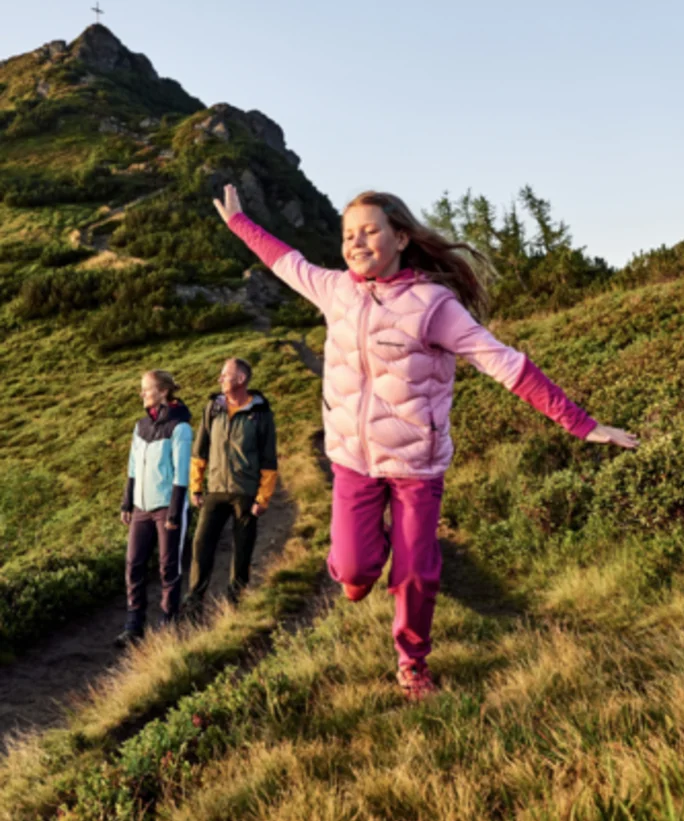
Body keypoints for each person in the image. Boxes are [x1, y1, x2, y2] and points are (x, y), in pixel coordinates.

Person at [213, 184, 638, 701]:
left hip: (416, 465)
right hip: (353, 460)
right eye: (348, 234)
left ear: (401, 238)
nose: (356, 242)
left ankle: (412, 662)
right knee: (352, 569)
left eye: (369, 231)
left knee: (416, 572)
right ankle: (364, 561)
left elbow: (505, 364)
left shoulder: (434, 306)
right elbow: (285, 261)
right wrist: (239, 223)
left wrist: (582, 424)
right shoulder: (334, 289)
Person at [183, 357, 278, 614]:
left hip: (245, 492)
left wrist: (263, 498)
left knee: (242, 548)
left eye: (225, 375)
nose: (220, 379)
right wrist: (196, 487)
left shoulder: (261, 414)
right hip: (215, 489)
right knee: (201, 544)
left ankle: (236, 601)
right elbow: (200, 450)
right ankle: (194, 602)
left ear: (241, 379)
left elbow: (269, 459)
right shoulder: (212, 408)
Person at [118, 370, 193, 647]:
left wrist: (174, 512)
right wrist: (127, 502)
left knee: (168, 566)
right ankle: (134, 624)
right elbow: (132, 468)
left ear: (162, 392)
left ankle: (168, 622)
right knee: (133, 564)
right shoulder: (140, 427)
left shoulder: (180, 428)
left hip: (166, 508)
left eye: (146, 389)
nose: (142, 394)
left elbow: (181, 474)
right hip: (141, 507)